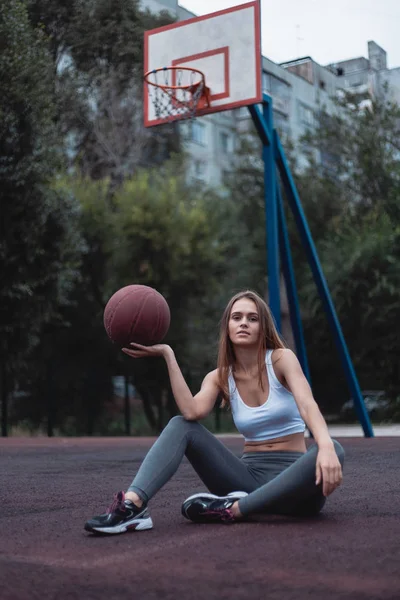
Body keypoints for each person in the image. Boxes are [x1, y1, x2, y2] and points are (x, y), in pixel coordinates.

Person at [84, 290, 344, 535]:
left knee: (335, 447)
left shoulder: (281, 359)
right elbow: (190, 411)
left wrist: (324, 446)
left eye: (252, 318)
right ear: (227, 327)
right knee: (180, 425)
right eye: (236, 317)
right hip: (247, 479)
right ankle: (133, 507)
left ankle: (234, 509)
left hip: (295, 485)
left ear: (262, 327)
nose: (244, 323)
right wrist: (168, 355)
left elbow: (308, 404)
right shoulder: (220, 377)